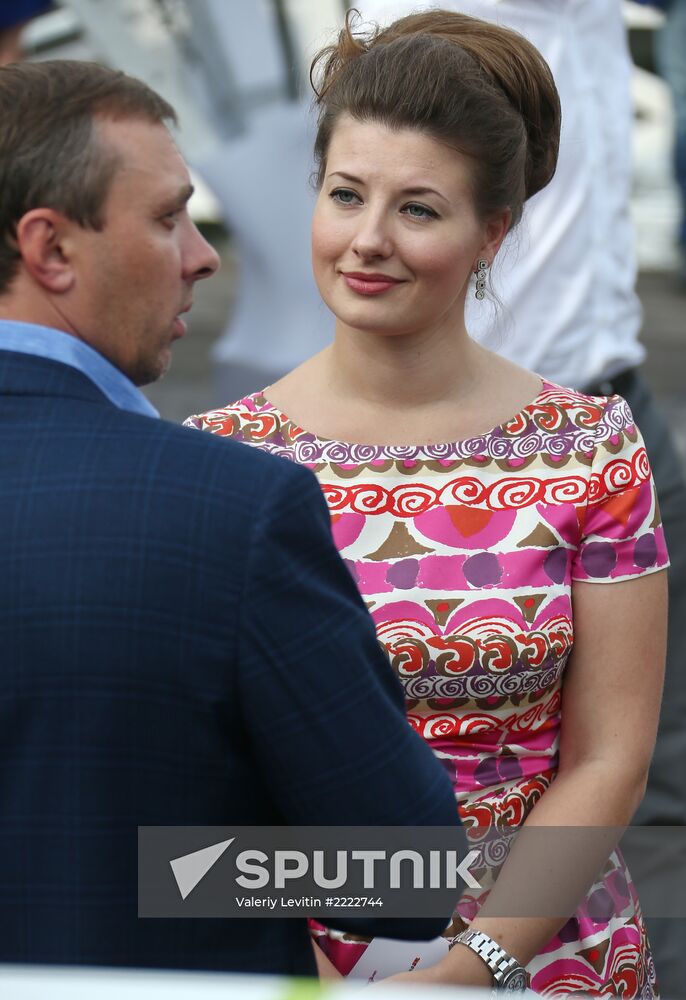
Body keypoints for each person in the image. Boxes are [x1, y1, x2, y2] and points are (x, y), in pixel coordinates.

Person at [187, 10, 669, 995]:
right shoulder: (218, 456)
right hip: (297, 962)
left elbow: (609, 759)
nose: (365, 241)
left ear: (491, 231)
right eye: (344, 194)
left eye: (416, 209)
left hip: (549, 956)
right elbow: (199, 776)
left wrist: (470, 965)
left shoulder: (589, 448)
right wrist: (323, 962)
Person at [0, 58, 462, 974]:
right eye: (168, 218)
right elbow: (405, 876)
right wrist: (172, 867)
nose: (203, 254)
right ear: (50, 249)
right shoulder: (229, 509)